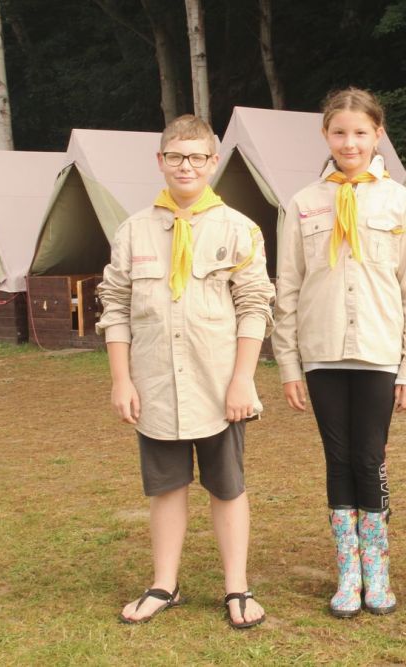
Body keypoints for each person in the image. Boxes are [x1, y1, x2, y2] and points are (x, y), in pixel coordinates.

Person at [96, 114, 274, 630]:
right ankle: (164, 584)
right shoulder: (133, 231)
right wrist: (121, 379)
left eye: (197, 157)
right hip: (155, 385)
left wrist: (242, 379)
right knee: (166, 488)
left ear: (213, 162)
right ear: (160, 160)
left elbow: (254, 305)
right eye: (175, 156)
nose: (186, 166)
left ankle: (237, 587)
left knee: (228, 487)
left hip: (218, 386)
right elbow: (115, 305)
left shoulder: (239, 229)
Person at [272, 87, 406, 618]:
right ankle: (348, 572)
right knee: (337, 459)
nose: (350, 143)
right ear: (325, 135)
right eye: (339, 132)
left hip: (379, 353)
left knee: (370, 457)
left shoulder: (403, 204)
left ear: (378, 134)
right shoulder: (302, 204)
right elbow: (288, 286)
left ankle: (377, 568)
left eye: (360, 132)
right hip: (322, 354)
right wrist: (289, 363)